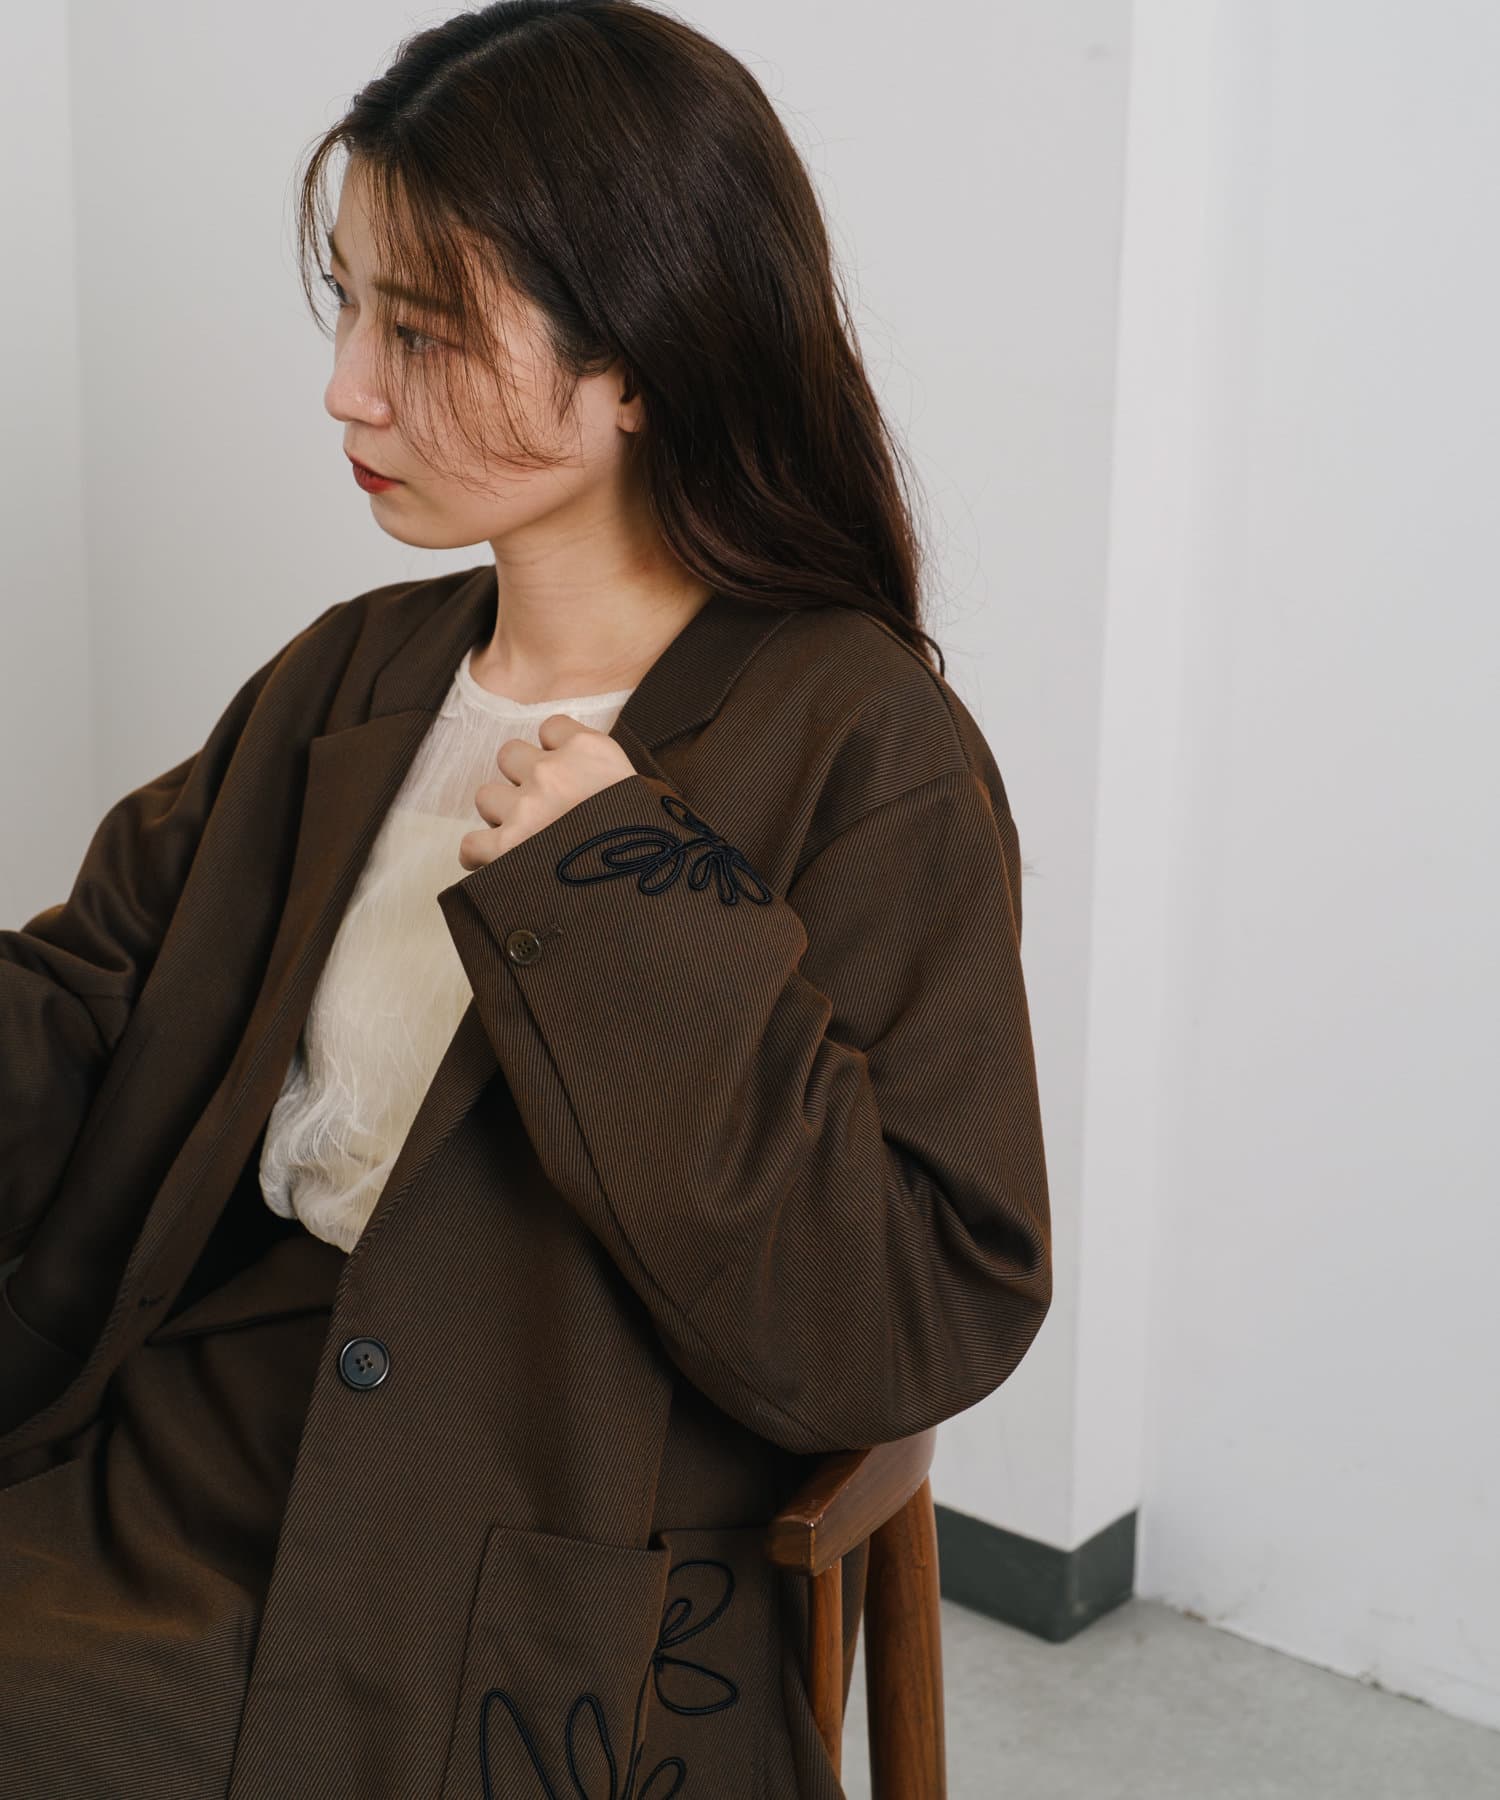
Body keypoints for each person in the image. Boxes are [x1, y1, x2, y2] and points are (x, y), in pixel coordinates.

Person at [0, 4, 1052, 1795]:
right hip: (192, 1442)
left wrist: (628, 902)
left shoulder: (864, 746)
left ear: (640, 359)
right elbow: (97, 1002)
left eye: (421, 329)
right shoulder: (349, 676)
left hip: (538, 1540)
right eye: (347, 306)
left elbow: (912, 1306)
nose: (348, 387)